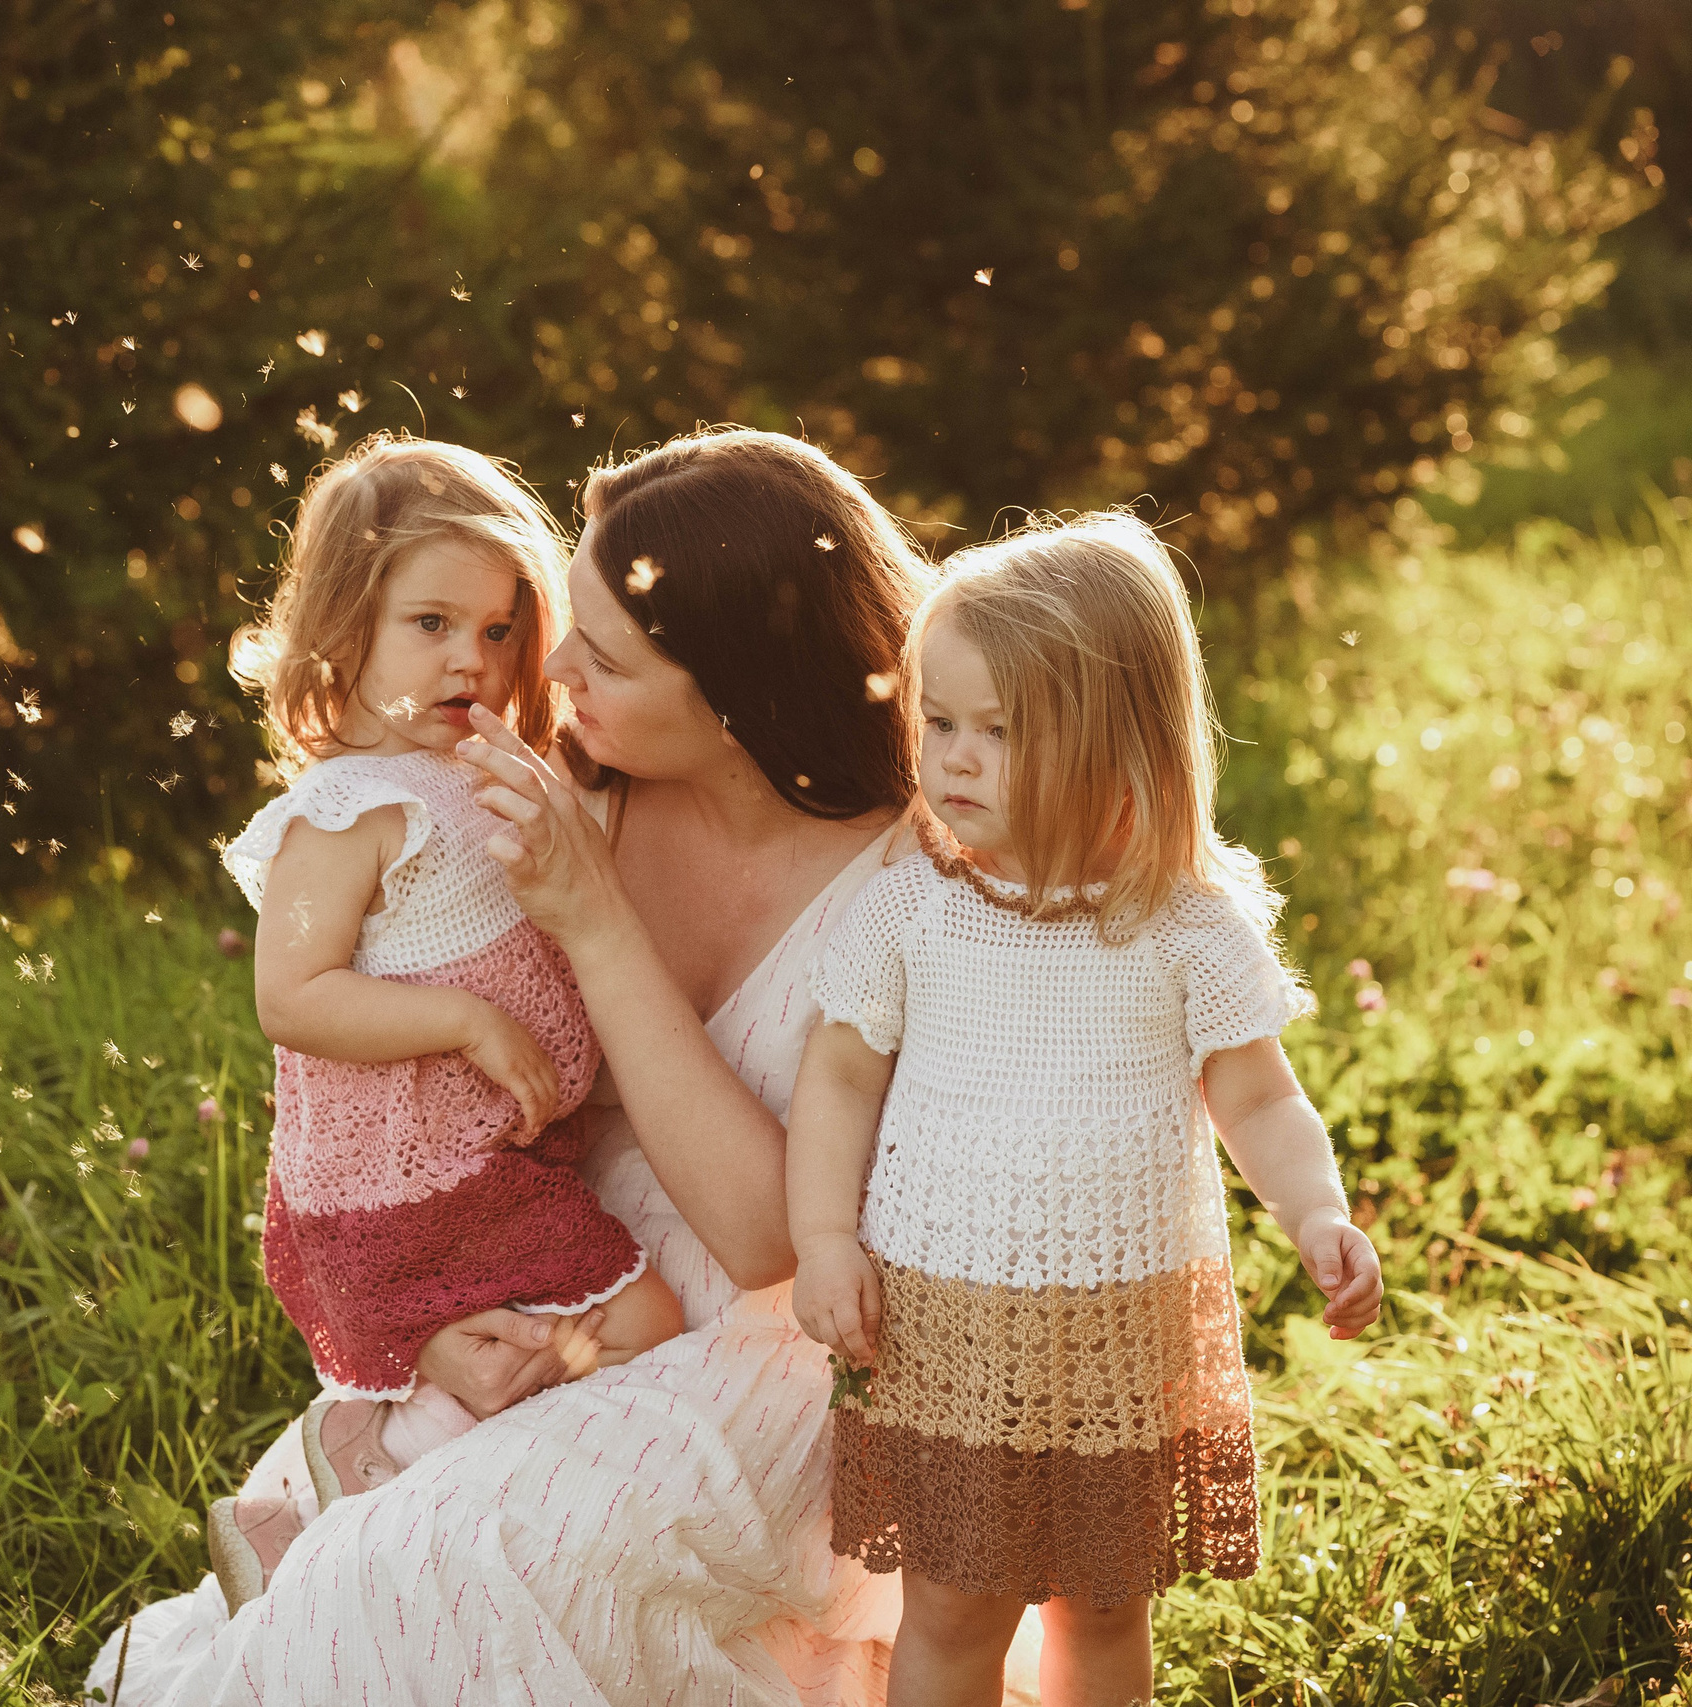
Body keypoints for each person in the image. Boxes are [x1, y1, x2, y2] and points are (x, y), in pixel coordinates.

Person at [91, 428, 1046, 1705]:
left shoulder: (912, 888)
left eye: (600, 654)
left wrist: (595, 920)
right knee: (355, 1591)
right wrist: (424, 1320)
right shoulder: (561, 789)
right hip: (549, 1269)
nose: (542, 670)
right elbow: (379, 1085)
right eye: (562, 624)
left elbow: (768, 1240)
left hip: (771, 1353)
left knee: (427, 1580)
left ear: (737, 694)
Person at [786, 512, 1385, 1705]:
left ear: (1121, 743)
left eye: (997, 733)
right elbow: (840, 1078)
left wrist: (1314, 1212)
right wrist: (821, 1238)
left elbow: (1258, 1095)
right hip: (944, 1318)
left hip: (1127, 1318)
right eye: (939, 724)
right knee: (953, 1603)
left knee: (1105, 1604)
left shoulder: (1179, 923)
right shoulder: (913, 909)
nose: (953, 760)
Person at [208, 434, 684, 1606]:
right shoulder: (348, 805)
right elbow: (294, 995)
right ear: (342, 630)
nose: (468, 658)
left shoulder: (486, 765)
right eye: (428, 625)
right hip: (409, 1178)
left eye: (496, 629)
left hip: (483, 1161)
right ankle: (363, 1476)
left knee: (511, 1343)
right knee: (642, 1317)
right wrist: (469, 1025)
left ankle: (347, 1488)